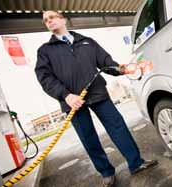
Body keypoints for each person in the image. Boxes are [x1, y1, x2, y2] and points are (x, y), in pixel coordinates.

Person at [35, 10, 157, 187]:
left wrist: (120, 68)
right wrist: (66, 96)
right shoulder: (45, 51)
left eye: (52, 17)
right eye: (46, 20)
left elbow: (106, 63)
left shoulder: (87, 42)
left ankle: (136, 163)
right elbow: (44, 77)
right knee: (88, 138)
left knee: (118, 127)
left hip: (98, 93)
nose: (49, 21)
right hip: (73, 103)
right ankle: (106, 172)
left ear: (62, 19)